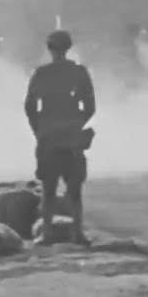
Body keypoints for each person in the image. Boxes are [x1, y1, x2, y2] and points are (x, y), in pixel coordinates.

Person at [24, 29, 96, 246]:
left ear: (49, 48)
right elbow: (90, 106)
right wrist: (77, 123)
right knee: (74, 189)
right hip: (72, 135)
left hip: (49, 136)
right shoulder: (79, 72)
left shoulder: (42, 74)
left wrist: (39, 129)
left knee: (48, 189)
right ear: (69, 48)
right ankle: (77, 233)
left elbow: (29, 106)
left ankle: (46, 233)